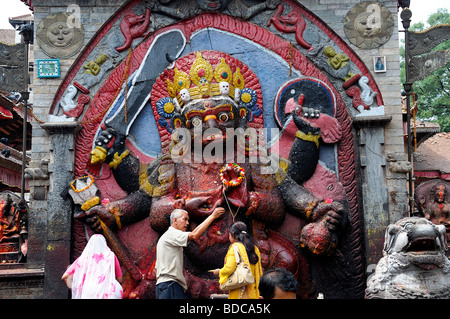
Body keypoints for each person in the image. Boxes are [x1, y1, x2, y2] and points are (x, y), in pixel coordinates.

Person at [155, 207, 225, 299]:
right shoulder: (172, 234)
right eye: (185, 219)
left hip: (163, 286)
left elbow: (156, 271)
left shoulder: (166, 237)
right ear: (175, 220)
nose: (187, 223)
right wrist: (212, 216)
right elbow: (194, 235)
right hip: (170, 285)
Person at [61, 234, 123, 299]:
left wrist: (76, 290)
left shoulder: (82, 259)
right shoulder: (111, 256)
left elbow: (65, 277)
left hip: (88, 291)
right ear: (104, 244)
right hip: (109, 292)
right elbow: (120, 279)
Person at [213, 221, 262, 299]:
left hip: (239, 293)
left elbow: (229, 269)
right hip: (253, 293)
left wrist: (219, 272)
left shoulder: (235, 248)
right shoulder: (254, 249)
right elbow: (259, 271)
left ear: (233, 234)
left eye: (229, 234)